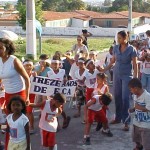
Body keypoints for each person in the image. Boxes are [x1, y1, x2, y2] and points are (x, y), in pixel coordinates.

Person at [100, 31, 138, 131]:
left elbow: (135, 64)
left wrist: (135, 78)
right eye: (118, 38)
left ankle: (126, 121)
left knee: (125, 98)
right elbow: (113, 61)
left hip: (127, 76)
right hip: (117, 75)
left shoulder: (131, 49)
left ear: (126, 38)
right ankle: (118, 118)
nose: (118, 39)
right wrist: (104, 69)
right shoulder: (116, 48)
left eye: (120, 38)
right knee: (117, 97)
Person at [0, 38, 30, 113]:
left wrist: (27, 97)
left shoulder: (14, 61)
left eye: (0, 48)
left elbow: (26, 79)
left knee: (19, 118)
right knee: (9, 118)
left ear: (7, 49)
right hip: (7, 93)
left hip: (19, 93)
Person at [47, 58, 71, 129]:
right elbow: (46, 82)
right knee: (54, 108)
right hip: (53, 93)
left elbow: (67, 78)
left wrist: (66, 79)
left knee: (59, 108)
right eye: (53, 64)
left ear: (59, 65)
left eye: (56, 64)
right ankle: (57, 125)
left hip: (61, 93)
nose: (55, 65)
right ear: (51, 65)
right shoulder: (49, 73)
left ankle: (65, 118)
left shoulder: (62, 71)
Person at [128, 78, 150, 150]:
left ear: (136, 88)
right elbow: (136, 106)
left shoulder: (147, 96)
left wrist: (138, 107)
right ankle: (139, 146)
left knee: (146, 141)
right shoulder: (135, 95)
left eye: (131, 89)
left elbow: (148, 109)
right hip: (137, 121)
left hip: (145, 124)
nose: (131, 91)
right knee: (135, 137)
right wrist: (133, 109)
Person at [23, 59, 37, 134]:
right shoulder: (20, 74)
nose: (28, 67)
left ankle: (31, 126)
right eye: (26, 65)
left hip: (31, 95)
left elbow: (39, 84)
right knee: (22, 112)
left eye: (30, 65)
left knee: (29, 112)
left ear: (32, 66)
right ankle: (24, 126)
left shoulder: (34, 74)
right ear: (23, 66)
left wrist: (36, 77)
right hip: (22, 94)